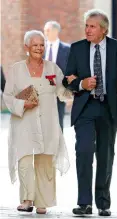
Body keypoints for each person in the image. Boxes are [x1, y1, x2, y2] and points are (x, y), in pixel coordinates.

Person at [63, 9, 117, 216]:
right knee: (83, 152)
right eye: (86, 25)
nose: (87, 29)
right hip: (85, 108)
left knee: (105, 155)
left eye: (92, 26)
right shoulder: (76, 48)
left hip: (109, 109)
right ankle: (84, 203)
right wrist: (82, 84)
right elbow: (67, 80)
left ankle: (103, 202)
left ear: (104, 29)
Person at [3, 30, 70, 214]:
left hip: (48, 122)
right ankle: (27, 200)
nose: (39, 48)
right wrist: (23, 103)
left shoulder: (53, 68)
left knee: (45, 160)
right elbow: (7, 97)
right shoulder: (16, 69)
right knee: (24, 159)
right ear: (27, 47)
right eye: (35, 45)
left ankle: (43, 201)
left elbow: (62, 93)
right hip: (24, 121)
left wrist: (71, 85)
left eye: (42, 45)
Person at [43, 21, 70, 131]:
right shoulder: (39, 48)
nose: (45, 32)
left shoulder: (67, 49)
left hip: (59, 91)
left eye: (47, 30)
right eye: (45, 30)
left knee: (58, 122)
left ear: (55, 31)